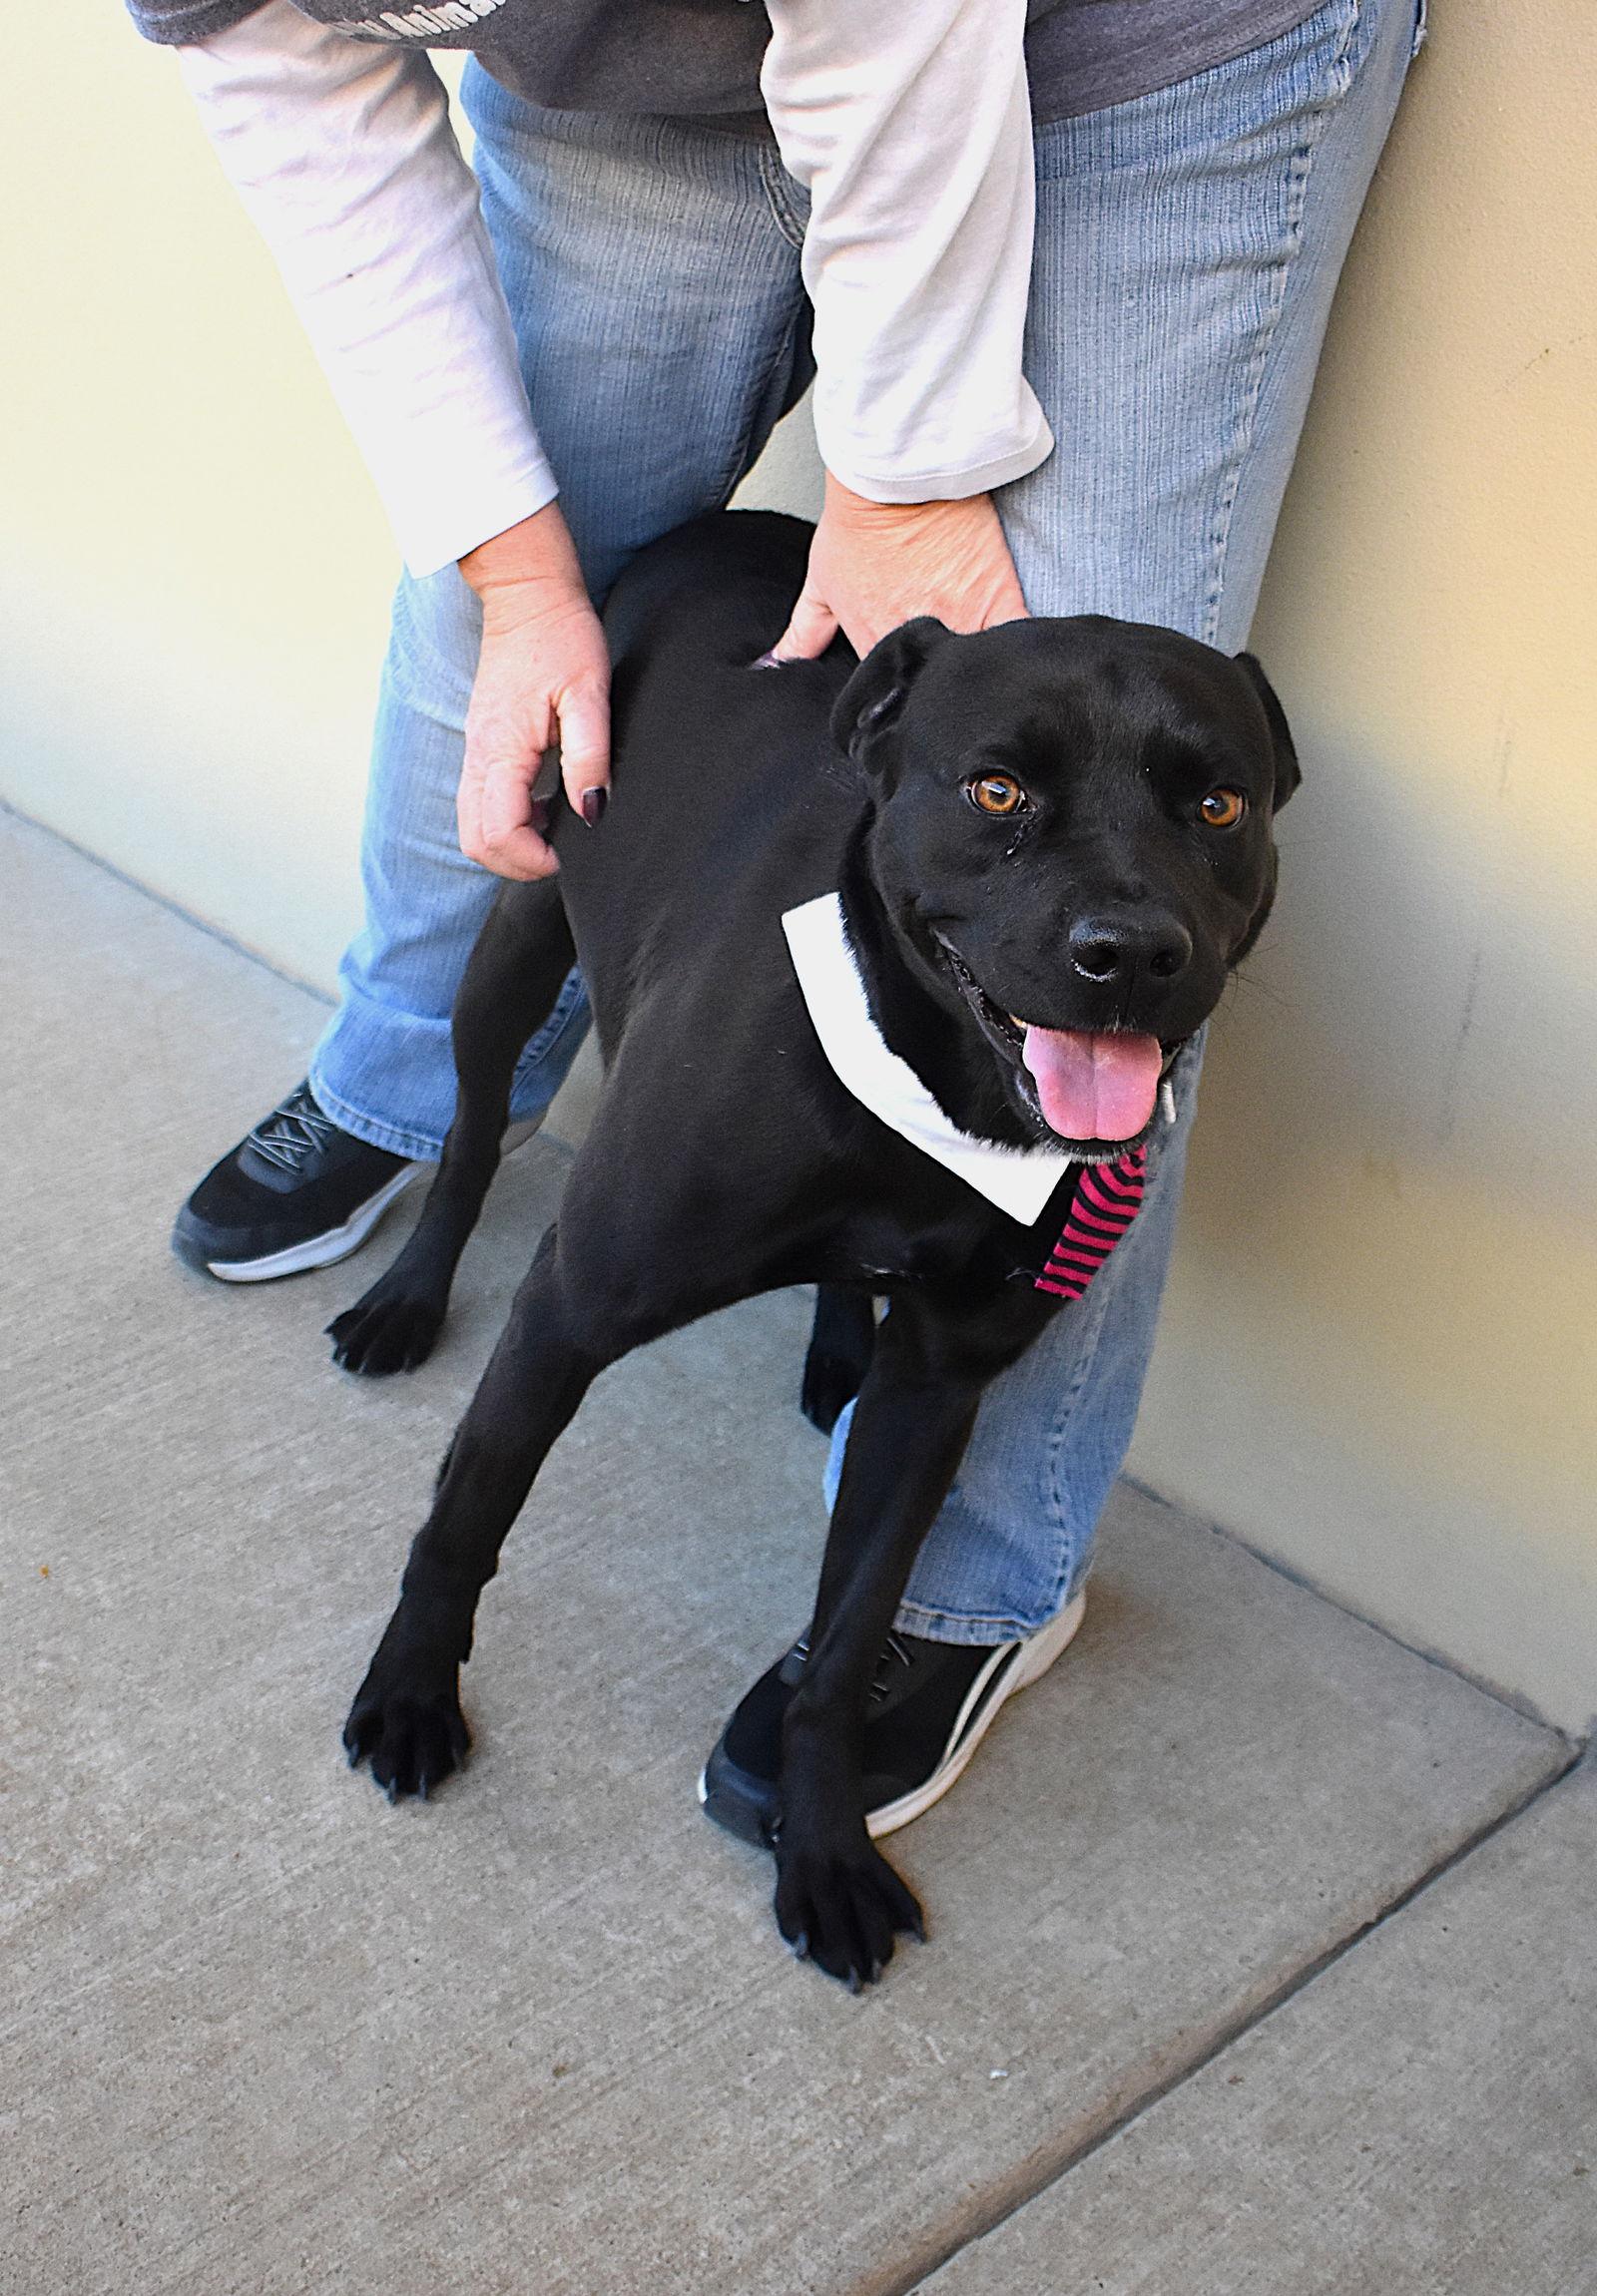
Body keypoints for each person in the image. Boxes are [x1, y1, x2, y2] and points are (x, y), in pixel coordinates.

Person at [131, 0, 1423, 1840]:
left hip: (1157, 52)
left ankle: (965, 1580)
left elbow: (898, 32)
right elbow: (305, 115)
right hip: (636, 68)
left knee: (1095, 841)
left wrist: (906, 467)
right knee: (514, 626)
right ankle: (413, 1083)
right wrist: (517, 577)